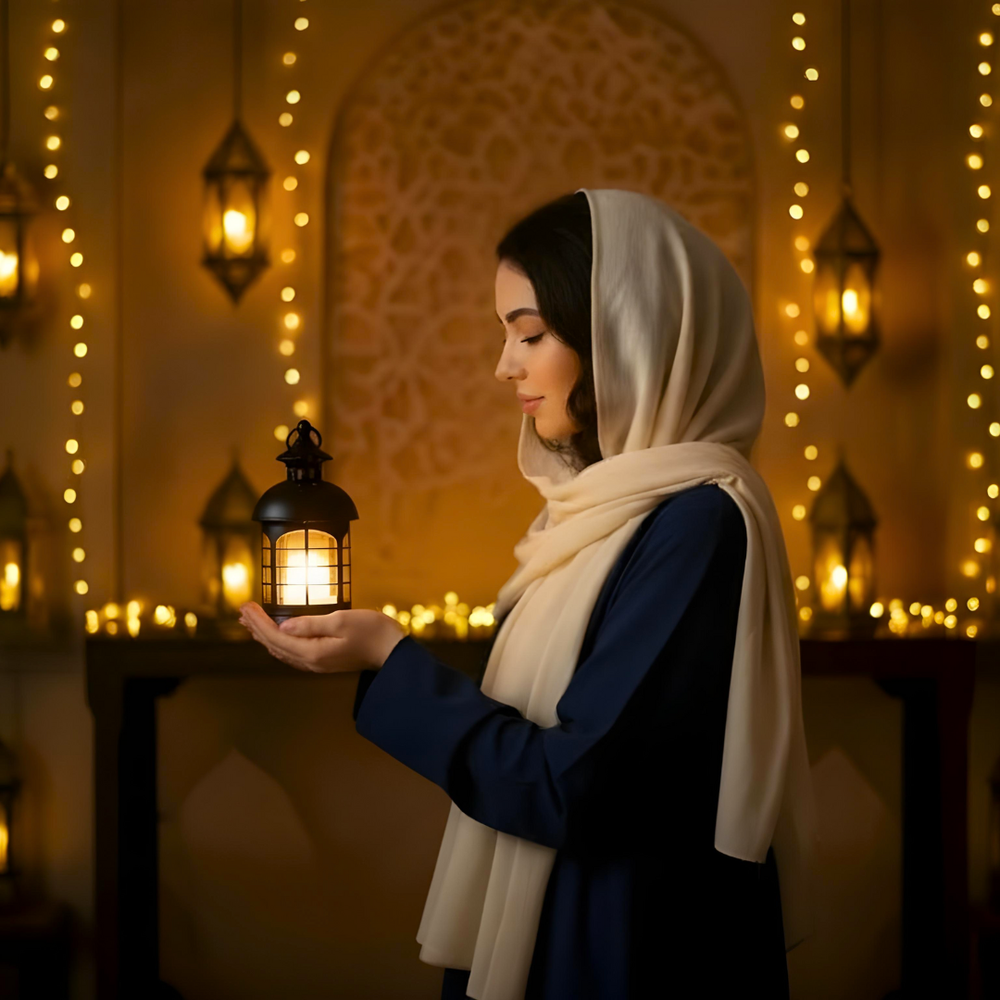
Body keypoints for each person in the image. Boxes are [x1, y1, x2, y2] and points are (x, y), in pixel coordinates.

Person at [239, 188, 818, 1000]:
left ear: (626, 337)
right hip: (569, 915)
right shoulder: (593, 515)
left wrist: (389, 656)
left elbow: (570, 785)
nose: (504, 366)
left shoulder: (698, 524)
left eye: (531, 335)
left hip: (625, 947)